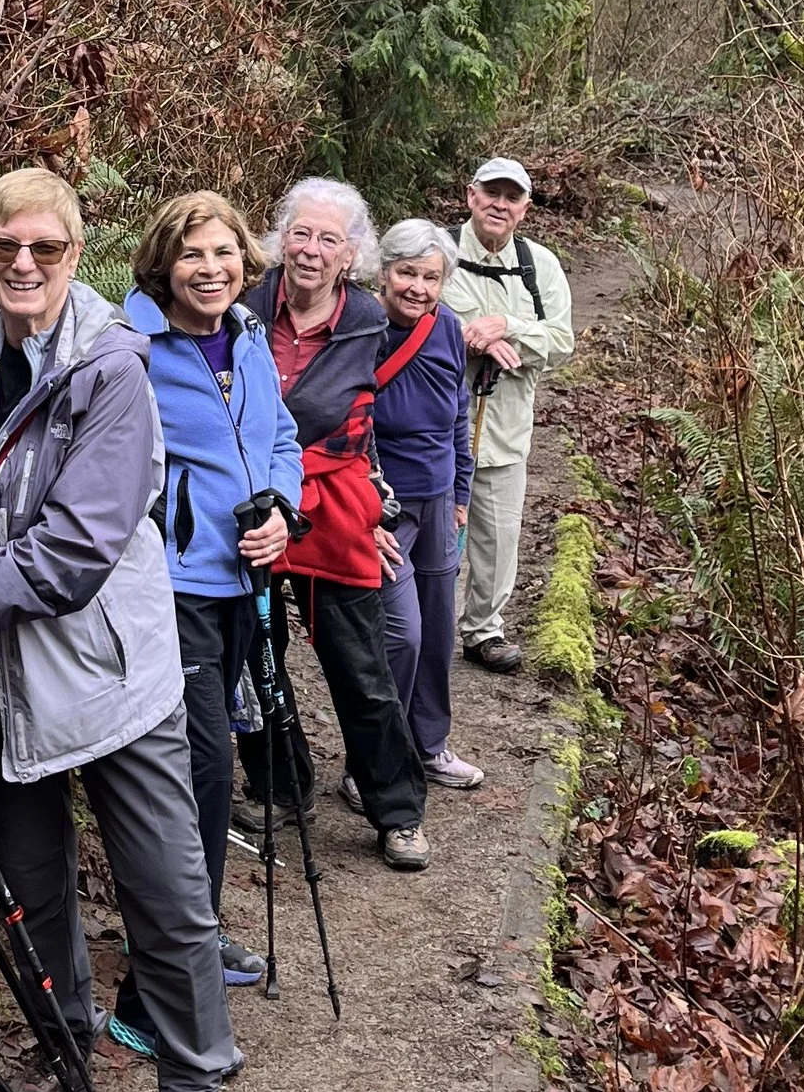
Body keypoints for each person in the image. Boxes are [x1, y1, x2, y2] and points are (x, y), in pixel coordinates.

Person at [0, 167, 240, 1092]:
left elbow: (79, 542)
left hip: (105, 668)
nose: (23, 264)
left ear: (75, 255)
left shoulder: (112, 368)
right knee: (26, 887)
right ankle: (63, 1053)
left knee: (164, 885)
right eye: (5, 246)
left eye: (45, 248)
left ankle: (190, 1088)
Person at [118, 188, 304, 1003]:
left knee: (212, 757)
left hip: (245, 579)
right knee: (201, 762)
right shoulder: (132, 349)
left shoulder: (249, 337)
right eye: (193, 253)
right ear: (163, 262)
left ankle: (191, 924)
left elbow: (281, 439)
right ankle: (181, 938)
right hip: (173, 586)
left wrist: (282, 512)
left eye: (224, 252)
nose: (211, 267)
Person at [241, 179, 432, 870]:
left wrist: (384, 503)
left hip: (330, 504)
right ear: (279, 238)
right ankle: (281, 782)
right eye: (300, 233)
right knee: (250, 656)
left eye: (327, 238)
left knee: (358, 666)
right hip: (249, 504)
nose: (311, 250)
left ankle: (398, 807)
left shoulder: (370, 322)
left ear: (351, 252)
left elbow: (373, 422)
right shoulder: (243, 304)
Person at [445, 156, 576, 670]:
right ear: (471, 195)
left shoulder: (540, 265)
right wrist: (467, 337)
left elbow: (562, 339)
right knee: (426, 530)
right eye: (491, 193)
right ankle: (415, 624)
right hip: (435, 423)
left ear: (524, 208)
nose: (500, 204)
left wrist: (508, 326)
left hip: (505, 424)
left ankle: (483, 630)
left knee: (498, 536)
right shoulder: (437, 249)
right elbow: (401, 309)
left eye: (511, 197)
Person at [371, 219, 480, 792]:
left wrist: (461, 494)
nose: (418, 287)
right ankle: (375, 760)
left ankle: (430, 746)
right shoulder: (361, 330)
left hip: (439, 501)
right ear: (383, 273)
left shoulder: (448, 329)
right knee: (400, 635)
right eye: (407, 273)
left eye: (430, 277)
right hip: (381, 510)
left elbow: (459, 414)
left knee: (438, 631)